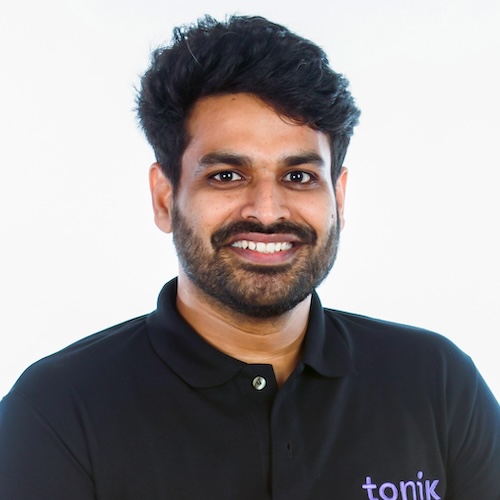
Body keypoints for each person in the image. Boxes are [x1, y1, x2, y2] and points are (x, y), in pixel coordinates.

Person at [0, 14, 499, 500]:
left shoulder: (436, 384)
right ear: (164, 198)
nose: (266, 211)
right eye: (226, 176)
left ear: (338, 198)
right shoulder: (57, 411)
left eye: (299, 176)